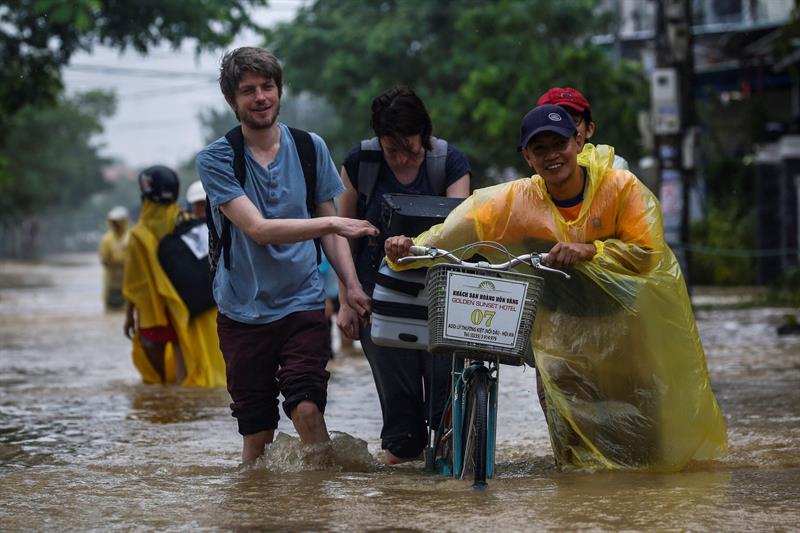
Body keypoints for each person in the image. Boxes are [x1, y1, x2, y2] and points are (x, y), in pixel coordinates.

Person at [384, 104, 728, 472]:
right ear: (528, 157)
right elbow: (458, 230)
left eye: (559, 144)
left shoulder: (620, 187)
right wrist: (409, 248)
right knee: (573, 450)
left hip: (626, 332)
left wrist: (591, 250)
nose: (552, 155)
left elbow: (647, 253)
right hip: (561, 337)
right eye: (540, 148)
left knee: (646, 439)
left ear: (577, 143)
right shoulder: (516, 200)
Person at [196, 47, 378, 464]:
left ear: (279, 90)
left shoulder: (310, 148)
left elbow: (331, 233)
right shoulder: (217, 158)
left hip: (303, 302)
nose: (260, 97)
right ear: (231, 101)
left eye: (268, 87)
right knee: (257, 433)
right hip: (242, 312)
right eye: (248, 91)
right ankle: (257, 513)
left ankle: (317, 510)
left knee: (308, 408)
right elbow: (258, 229)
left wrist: (351, 289)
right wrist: (332, 224)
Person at [337, 86, 471, 464]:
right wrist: (346, 298)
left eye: (408, 147)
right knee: (401, 420)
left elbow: (459, 229)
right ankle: (401, 498)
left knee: (448, 404)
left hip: (439, 298)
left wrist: (414, 246)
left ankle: (446, 481)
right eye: (390, 148)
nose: (399, 156)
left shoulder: (449, 162)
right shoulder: (361, 162)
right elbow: (342, 233)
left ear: (424, 134)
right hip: (377, 300)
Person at [122, 165, 226, 388]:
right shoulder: (186, 221)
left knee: (159, 384)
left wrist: (130, 315)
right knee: (186, 362)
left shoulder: (138, 234)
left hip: (155, 312)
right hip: (188, 308)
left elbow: (135, 283)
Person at [536, 87, 629, 169]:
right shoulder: (534, 184)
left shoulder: (613, 167)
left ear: (589, 129)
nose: (563, 130)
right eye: (553, 123)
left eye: (572, 121)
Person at [98, 205, 129, 311]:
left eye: (118, 222)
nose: (116, 225)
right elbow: (104, 260)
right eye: (113, 222)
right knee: (111, 310)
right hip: (112, 283)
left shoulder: (130, 237)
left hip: (128, 284)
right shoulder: (107, 239)